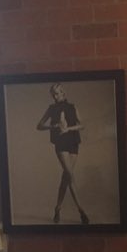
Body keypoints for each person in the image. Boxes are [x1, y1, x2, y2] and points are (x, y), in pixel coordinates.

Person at [36, 83, 90, 224]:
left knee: (66, 177)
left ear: (63, 93)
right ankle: (81, 211)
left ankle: (58, 208)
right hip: (60, 142)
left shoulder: (73, 107)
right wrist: (53, 126)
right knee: (70, 175)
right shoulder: (51, 108)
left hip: (73, 141)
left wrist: (69, 129)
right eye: (53, 94)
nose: (55, 96)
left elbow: (82, 125)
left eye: (57, 93)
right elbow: (39, 125)